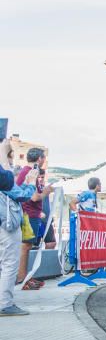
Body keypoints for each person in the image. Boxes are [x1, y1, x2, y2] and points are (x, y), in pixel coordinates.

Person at [0, 136, 38, 317]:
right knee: (9, 263)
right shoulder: (3, 172)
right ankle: (5, 304)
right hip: (5, 224)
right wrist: (31, 183)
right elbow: (20, 194)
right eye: (11, 156)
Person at [15, 148, 54, 289]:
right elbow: (34, 196)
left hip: (29, 213)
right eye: (43, 158)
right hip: (29, 213)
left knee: (27, 246)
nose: (44, 161)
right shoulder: (31, 172)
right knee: (25, 246)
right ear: (39, 159)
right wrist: (47, 191)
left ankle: (24, 277)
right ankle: (22, 278)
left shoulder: (27, 171)